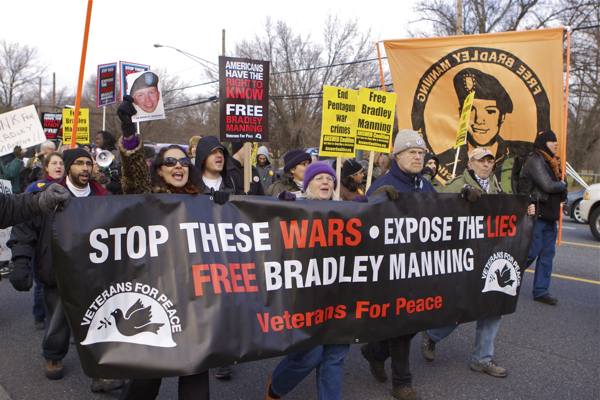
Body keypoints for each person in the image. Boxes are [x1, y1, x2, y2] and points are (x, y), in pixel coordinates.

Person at [116, 97, 211, 399]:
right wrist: (129, 132)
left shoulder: (204, 200)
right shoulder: (148, 194)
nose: (178, 165)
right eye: (170, 161)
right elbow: (133, 175)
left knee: (196, 375)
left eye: (183, 161)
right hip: (157, 297)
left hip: (196, 302)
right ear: (158, 171)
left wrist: (226, 207)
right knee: (146, 381)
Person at [8, 148, 124, 393]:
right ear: (68, 167)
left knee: (99, 323)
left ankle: (101, 373)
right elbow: (25, 229)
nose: (85, 168)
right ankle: (54, 355)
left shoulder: (102, 195)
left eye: (88, 163)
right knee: (58, 321)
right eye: (79, 163)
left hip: (95, 273)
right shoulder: (49, 195)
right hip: (58, 271)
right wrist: (20, 261)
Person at [421, 148, 534, 378]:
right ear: (470, 164)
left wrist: (526, 211)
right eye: (481, 161)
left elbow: (509, 216)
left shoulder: (498, 188)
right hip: (464, 259)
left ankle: (482, 359)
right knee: (461, 307)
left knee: (493, 305)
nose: (486, 164)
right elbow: (431, 206)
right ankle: (432, 335)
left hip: (489, 255)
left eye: (489, 161)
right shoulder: (454, 185)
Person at [266, 162, 351, 400]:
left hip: (339, 297)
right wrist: (279, 208)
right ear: (308, 184)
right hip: (303, 298)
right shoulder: (295, 207)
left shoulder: (348, 210)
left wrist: (369, 211)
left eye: (329, 178)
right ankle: (275, 388)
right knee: (309, 355)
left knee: (335, 357)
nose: (325, 182)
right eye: (319, 178)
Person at [363, 129, 436, 400]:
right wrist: (377, 201)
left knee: (419, 318)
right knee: (403, 323)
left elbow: (441, 217)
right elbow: (365, 225)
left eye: (421, 152)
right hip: (393, 268)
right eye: (412, 152)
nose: (418, 157)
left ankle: (376, 351)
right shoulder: (383, 183)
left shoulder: (425, 184)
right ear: (397, 155)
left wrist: (463, 204)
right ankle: (401, 383)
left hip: (420, 265)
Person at [436, 68, 533, 181]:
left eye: (490, 111)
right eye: (472, 110)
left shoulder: (521, 156)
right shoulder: (445, 161)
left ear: (502, 117)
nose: (479, 120)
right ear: (462, 114)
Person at [519, 130, 567, 305]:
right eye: (552, 141)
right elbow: (547, 185)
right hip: (537, 215)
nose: (556, 144)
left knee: (547, 255)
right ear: (544, 143)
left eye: (556, 141)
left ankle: (541, 291)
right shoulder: (535, 160)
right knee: (529, 253)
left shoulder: (553, 163)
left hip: (550, 217)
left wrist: (562, 187)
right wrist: (562, 184)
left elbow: (560, 187)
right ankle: (506, 282)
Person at [24, 152, 65, 330]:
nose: (58, 166)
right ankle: (39, 315)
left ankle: (61, 321)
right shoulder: (36, 187)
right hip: (42, 242)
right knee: (42, 283)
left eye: (61, 163)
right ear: (46, 166)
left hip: (62, 242)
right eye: (54, 163)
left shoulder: (69, 186)